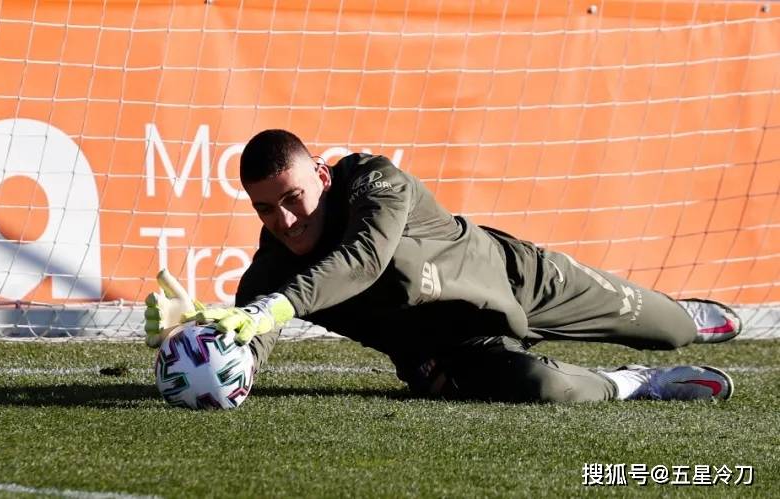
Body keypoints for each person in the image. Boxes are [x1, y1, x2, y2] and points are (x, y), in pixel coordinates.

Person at [144, 129, 742, 402]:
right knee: (546, 389)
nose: (284, 220)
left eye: (293, 198)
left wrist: (275, 307)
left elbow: (364, 259)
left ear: (321, 176)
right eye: (264, 208)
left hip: (521, 280)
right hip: (456, 353)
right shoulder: (271, 271)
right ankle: (638, 382)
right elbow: (249, 348)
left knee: (673, 327)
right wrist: (194, 339)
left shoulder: (376, 181)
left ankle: (680, 321)